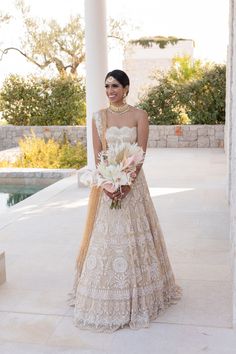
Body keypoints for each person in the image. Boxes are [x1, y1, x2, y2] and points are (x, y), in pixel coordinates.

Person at [68, 69, 182, 332]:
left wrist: (128, 183)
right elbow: (99, 156)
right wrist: (109, 183)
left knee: (136, 236)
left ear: (127, 88)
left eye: (116, 86)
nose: (110, 91)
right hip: (108, 184)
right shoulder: (98, 117)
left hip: (134, 184)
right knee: (107, 240)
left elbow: (140, 153)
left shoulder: (140, 116)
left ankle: (142, 292)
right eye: (107, 86)